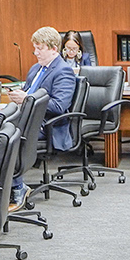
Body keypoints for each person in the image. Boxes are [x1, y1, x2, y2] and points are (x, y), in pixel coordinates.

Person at [14, 27, 79, 196]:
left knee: (8, 137)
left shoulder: (63, 71)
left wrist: (27, 98)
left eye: (40, 48)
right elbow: (27, 93)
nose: (35, 52)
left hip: (47, 124)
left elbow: (59, 106)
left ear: (53, 49)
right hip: (27, 118)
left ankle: (16, 187)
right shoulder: (35, 69)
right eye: (34, 48)